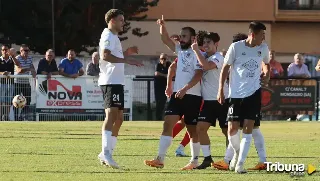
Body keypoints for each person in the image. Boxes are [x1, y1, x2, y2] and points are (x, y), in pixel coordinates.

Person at [144, 15, 203, 170]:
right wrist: (162, 25)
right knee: (167, 123)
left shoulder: (198, 53)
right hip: (177, 95)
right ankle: (160, 159)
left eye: (184, 36)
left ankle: (194, 160)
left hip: (192, 96)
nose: (181, 39)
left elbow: (198, 75)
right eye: (181, 36)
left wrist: (185, 88)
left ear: (192, 38)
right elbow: (165, 40)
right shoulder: (180, 50)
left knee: (191, 130)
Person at [217, 22, 270, 173]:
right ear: (252, 35)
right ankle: (236, 155)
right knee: (232, 130)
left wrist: (267, 75)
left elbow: (266, 64)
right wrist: (220, 89)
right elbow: (225, 68)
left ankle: (240, 164)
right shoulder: (236, 47)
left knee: (248, 129)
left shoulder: (263, 48)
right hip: (235, 95)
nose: (264, 38)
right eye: (262, 35)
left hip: (253, 94)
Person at [97, 9, 143, 169]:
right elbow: (105, 56)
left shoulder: (114, 36)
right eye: (121, 20)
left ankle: (107, 152)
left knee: (119, 118)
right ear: (112, 20)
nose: (123, 23)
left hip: (117, 81)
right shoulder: (108, 35)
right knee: (111, 116)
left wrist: (126, 54)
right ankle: (106, 152)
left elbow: (114, 56)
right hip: (110, 81)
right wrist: (126, 60)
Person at [191, 32, 229, 169]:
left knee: (227, 131)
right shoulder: (204, 56)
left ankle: (228, 160)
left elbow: (206, 66)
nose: (206, 45)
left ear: (216, 44)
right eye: (204, 42)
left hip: (223, 99)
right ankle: (207, 159)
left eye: (209, 42)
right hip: (208, 102)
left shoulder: (219, 57)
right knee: (200, 128)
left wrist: (196, 50)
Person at [14, 44, 36, 121]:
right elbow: (19, 70)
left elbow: (32, 68)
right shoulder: (17, 58)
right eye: (25, 50)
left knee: (28, 100)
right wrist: (29, 69)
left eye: (28, 50)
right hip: (17, 82)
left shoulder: (30, 58)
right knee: (16, 101)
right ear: (21, 51)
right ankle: (16, 118)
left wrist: (34, 73)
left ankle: (22, 116)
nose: (27, 52)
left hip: (26, 82)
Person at [0, 45, 20, 121]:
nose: (5, 51)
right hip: (1, 83)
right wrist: (2, 73)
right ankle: (1, 116)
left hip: (10, 83)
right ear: (1, 51)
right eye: (3, 50)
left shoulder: (12, 59)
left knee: (8, 101)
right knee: (1, 101)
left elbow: (18, 64)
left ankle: (6, 116)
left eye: (6, 50)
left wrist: (13, 56)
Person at [154, 53, 171, 120]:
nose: (163, 60)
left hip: (165, 86)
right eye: (162, 59)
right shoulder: (158, 65)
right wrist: (165, 75)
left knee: (164, 101)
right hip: (158, 86)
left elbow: (172, 71)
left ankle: (163, 117)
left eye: (164, 59)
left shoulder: (168, 64)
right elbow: (157, 73)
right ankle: (158, 118)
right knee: (158, 102)